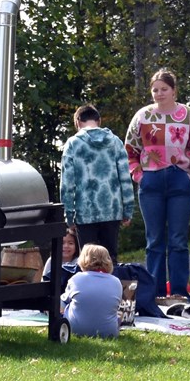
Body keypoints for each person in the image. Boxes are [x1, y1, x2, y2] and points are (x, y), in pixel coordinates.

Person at [125, 70, 190, 300]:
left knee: (178, 240)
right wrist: (138, 175)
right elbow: (130, 149)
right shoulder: (142, 116)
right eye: (155, 90)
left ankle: (180, 291)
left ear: (174, 90)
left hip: (179, 180)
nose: (159, 94)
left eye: (164, 89)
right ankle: (155, 291)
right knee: (154, 240)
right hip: (150, 181)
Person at [60, 104, 134, 264]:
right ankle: (112, 288)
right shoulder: (115, 142)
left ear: (78, 122)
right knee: (110, 259)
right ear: (98, 120)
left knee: (87, 261)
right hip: (112, 209)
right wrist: (127, 209)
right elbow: (125, 178)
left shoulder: (73, 144)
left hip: (85, 212)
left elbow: (67, 184)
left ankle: (89, 289)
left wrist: (69, 215)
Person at [60, 244, 123, 338]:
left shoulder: (76, 278)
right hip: (109, 333)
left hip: (74, 329)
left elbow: (63, 302)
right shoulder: (116, 281)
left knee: (65, 302)